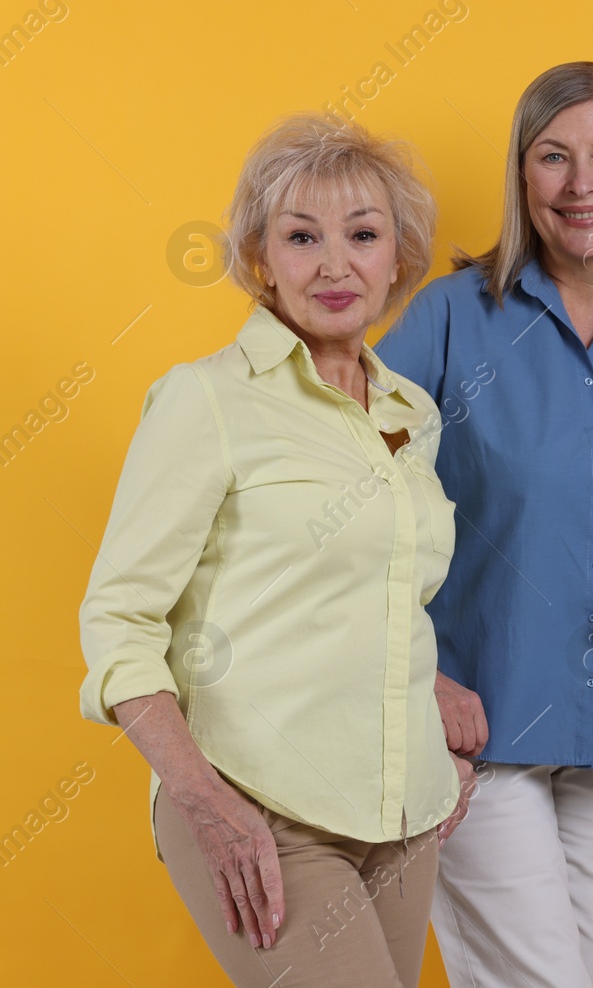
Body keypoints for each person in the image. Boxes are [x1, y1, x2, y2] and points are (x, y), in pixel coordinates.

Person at [78, 115, 474, 987]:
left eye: (363, 235)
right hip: (256, 803)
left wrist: (432, 717)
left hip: (404, 813)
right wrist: (204, 800)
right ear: (261, 256)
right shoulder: (206, 400)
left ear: (399, 257)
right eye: (302, 237)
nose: (335, 265)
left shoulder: (410, 411)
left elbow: (374, 586)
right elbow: (118, 617)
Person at [376, 61, 593, 988]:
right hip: (474, 727)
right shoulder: (450, 318)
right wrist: (424, 674)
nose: (582, 185)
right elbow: (346, 497)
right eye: (553, 157)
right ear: (521, 175)